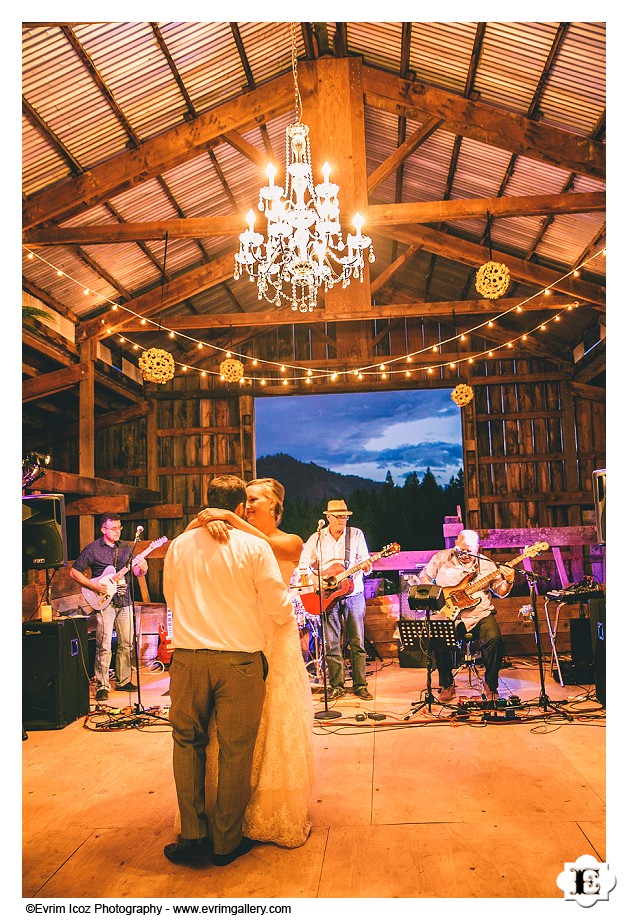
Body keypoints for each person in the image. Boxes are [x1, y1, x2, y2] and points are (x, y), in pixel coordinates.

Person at [162, 475, 297, 868]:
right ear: (240, 507)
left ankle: (192, 836)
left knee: (187, 744)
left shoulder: (179, 545)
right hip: (239, 662)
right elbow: (278, 608)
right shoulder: (254, 546)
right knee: (237, 751)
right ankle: (225, 843)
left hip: (187, 659)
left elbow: (171, 596)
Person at [191, 477, 314, 848]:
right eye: (244, 500)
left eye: (254, 499)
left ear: (276, 507)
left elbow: (270, 547)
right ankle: (229, 810)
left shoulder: (289, 540)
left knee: (274, 717)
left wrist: (224, 515)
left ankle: (272, 808)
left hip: (275, 636)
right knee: (233, 726)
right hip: (236, 635)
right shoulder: (231, 537)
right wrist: (206, 520)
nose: (247, 504)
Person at [418, 529, 513, 703]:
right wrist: (438, 597)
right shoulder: (441, 558)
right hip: (449, 614)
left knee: (495, 639)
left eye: (470, 551)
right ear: (456, 544)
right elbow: (424, 576)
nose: (465, 554)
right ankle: (446, 684)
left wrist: (509, 580)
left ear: (477, 548)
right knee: (438, 638)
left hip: (479, 614)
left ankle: (491, 685)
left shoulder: (487, 565)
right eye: (462, 550)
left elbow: (501, 592)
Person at [298, 499, 373, 702]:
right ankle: (336, 686)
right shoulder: (317, 538)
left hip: (353, 593)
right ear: (328, 517)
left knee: (357, 642)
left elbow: (365, 560)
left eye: (345, 517)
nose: (343, 520)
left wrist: (366, 567)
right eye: (339, 517)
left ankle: (360, 685)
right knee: (331, 643)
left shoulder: (356, 535)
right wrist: (316, 579)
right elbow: (303, 565)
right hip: (327, 597)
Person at [70, 512, 148, 703]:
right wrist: (93, 585)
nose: (117, 531)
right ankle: (103, 685)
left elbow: (137, 572)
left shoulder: (127, 548)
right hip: (104, 602)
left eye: (119, 528)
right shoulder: (93, 549)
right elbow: (74, 572)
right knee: (104, 645)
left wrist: (143, 567)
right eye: (113, 528)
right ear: (103, 529)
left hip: (125, 600)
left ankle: (123, 680)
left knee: (127, 643)